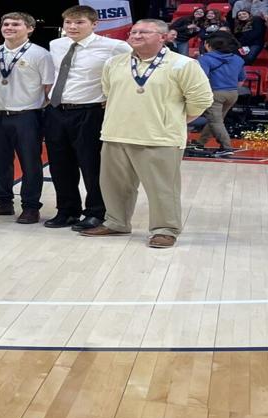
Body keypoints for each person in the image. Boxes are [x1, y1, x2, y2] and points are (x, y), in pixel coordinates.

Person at [79, 19, 211, 249]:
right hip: (115, 134)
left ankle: (165, 229)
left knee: (162, 188)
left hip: (159, 137)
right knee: (113, 186)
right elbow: (108, 93)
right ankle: (116, 222)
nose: (136, 35)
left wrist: (174, 120)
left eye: (144, 32)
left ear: (163, 37)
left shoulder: (183, 64)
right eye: (134, 31)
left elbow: (201, 100)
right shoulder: (114, 63)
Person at [44, 5, 129, 230]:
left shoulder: (115, 46)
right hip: (56, 111)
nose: (72, 27)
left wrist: (113, 97)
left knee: (92, 166)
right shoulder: (56, 44)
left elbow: (132, 72)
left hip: (89, 112)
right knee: (59, 166)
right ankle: (67, 211)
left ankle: (96, 212)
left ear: (94, 24)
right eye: (68, 22)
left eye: (79, 22)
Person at [0, 11, 54, 224]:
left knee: (30, 163)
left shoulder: (41, 55)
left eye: (16, 24)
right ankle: (3, 202)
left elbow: (48, 88)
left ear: (29, 28)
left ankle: (31, 207)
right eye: (6, 24)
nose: (9, 27)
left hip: (27, 116)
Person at [190, 31, 241, 155]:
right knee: (216, 120)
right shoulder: (237, 59)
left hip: (215, 93)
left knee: (215, 121)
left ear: (208, 45)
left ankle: (226, 147)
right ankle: (201, 143)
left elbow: (202, 78)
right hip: (233, 93)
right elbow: (241, 77)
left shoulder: (206, 59)